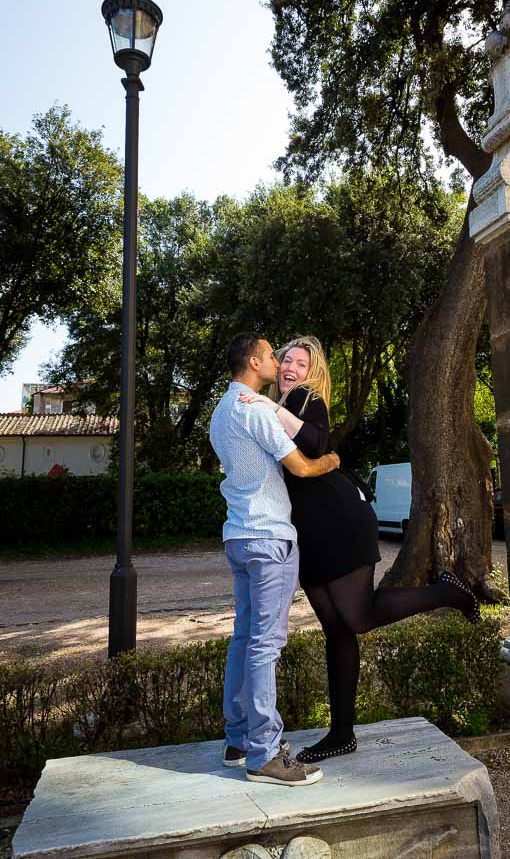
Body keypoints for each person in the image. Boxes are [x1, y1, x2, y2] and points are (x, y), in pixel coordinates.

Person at [239, 335, 480, 764]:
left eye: (300, 362)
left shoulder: (305, 400)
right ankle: (342, 733)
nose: (291, 366)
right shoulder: (272, 406)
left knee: (358, 615)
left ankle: (447, 591)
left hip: (339, 520)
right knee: (337, 630)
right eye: (286, 360)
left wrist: (271, 407)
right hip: (306, 535)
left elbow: (315, 443)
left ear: (312, 373)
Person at [210, 332, 340, 787]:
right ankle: (265, 754)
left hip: (238, 537)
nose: (277, 360)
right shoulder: (259, 409)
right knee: (265, 644)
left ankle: (238, 739)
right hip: (269, 539)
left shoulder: (221, 411)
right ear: (253, 361)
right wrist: (333, 460)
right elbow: (303, 466)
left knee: (244, 638)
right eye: (271, 355)